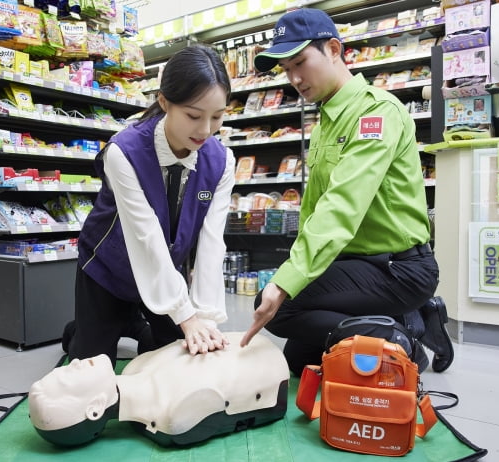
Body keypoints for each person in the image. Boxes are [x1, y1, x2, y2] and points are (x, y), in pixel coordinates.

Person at [240, 8, 454, 376]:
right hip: (353, 264)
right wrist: (297, 268)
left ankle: (402, 339)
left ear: (334, 49)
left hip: (398, 267)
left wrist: (284, 282)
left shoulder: (376, 113)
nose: (294, 78)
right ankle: (413, 315)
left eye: (300, 62)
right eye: (286, 69)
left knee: (280, 306)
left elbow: (342, 205)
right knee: (300, 359)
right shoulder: (325, 119)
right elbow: (314, 208)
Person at [63, 45, 236, 366]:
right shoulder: (123, 152)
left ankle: (132, 322)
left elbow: (212, 243)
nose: (205, 130)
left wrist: (205, 318)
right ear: (164, 102)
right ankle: (89, 328)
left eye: (218, 116)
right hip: (108, 268)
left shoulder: (222, 160)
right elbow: (146, 237)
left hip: (166, 271)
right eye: (194, 115)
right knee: (91, 365)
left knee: (175, 356)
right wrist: (185, 317)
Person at [29, 332, 290, 447]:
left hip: (256, 345)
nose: (73, 362)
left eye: (63, 369)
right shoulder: (173, 415)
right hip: (271, 367)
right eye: (66, 378)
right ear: (95, 408)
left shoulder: (136, 367)